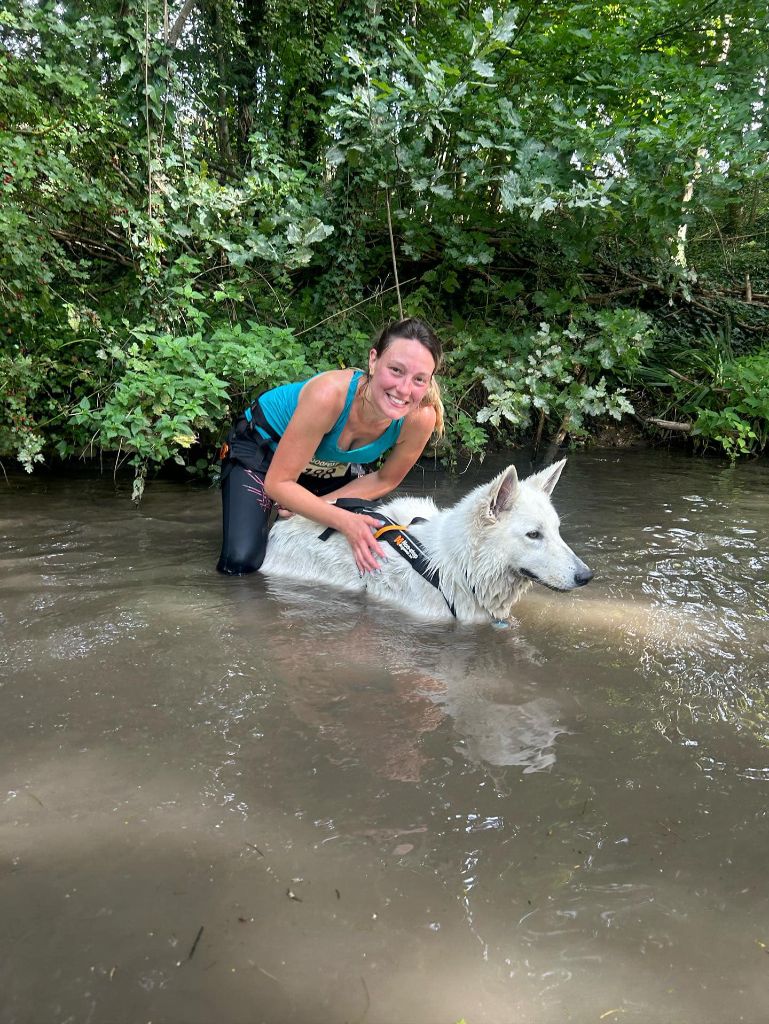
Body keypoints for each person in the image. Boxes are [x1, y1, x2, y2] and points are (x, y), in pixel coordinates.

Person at [216, 317, 444, 576]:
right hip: (263, 450)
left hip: (330, 467)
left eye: (419, 379)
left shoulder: (420, 418)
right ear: (373, 360)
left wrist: (315, 506)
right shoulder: (328, 395)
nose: (404, 390)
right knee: (240, 563)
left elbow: (384, 479)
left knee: (366, 539)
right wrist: (343, 519)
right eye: (396, 370)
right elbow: (278, 484)